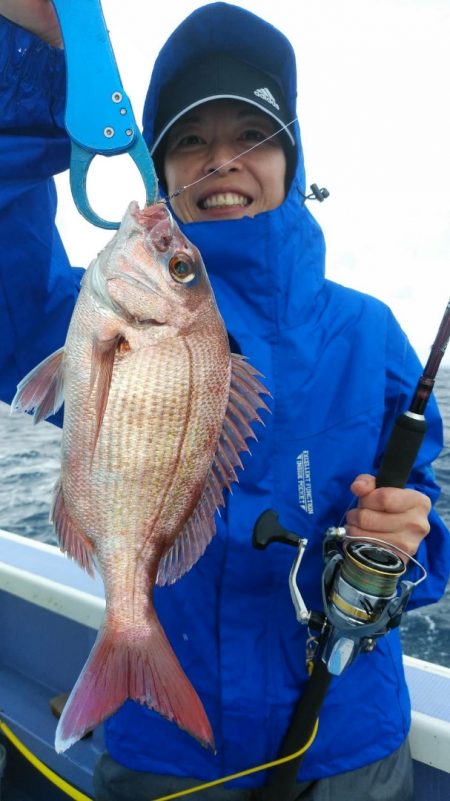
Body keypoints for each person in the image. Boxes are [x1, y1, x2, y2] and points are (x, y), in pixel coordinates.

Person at [0, 3, 449, 800]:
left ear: (289, 154)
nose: (223, 161)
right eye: (191, 141)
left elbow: (427, 515)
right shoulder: (87, 316)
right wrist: (26, 53)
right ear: (159, 172)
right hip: (165, 750)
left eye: (250, 135)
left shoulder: (370, 332)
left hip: (346, 738)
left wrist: (411, 539)